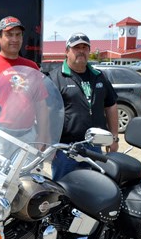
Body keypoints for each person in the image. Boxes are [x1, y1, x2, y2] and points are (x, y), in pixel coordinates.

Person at [48, 32, 119, 180]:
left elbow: (111, 106)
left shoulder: (99, 76)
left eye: (85, 47)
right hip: (66, 149)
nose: (81, 51)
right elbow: (47, 113)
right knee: (64, 191)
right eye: (76, 47)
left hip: (95, 146)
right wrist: (50, 145)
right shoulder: (55, 78)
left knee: (94, 189)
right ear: (67, 51)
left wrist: (114, 138)